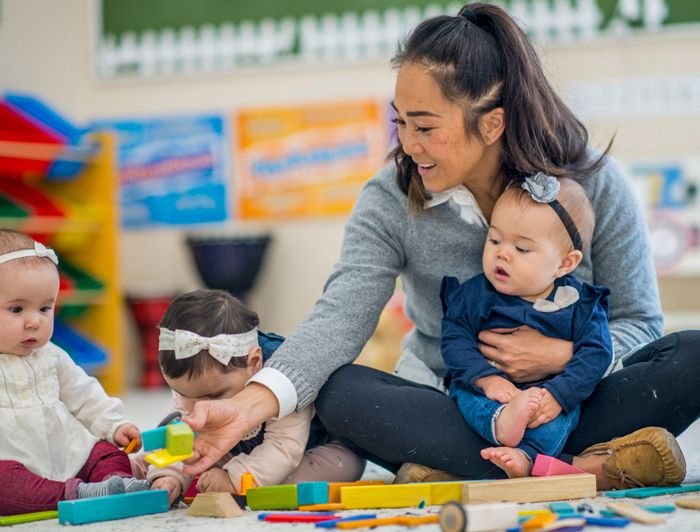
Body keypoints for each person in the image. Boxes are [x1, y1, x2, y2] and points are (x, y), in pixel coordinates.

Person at [179, 3, 696, 490]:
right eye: (400, 121)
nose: (407, 143)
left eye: (425, 126)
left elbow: (641, 322)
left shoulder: (593, 183)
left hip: (576, 396)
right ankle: (585, 466)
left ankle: (481, 467)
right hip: (455, 404)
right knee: (338, 392)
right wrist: (252, 403)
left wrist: (564, 359)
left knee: (692, 355)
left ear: (492, 122)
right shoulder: (389, 198)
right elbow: (340, 317)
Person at [442, 175, 612, 478]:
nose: (502, 253)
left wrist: (559, 395)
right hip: (488, 391)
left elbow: (597, 354)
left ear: (565, 263)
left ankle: (526, 457)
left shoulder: (581, 304)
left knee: (561, 418)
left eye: (521, 249)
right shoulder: (474, 296)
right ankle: (500, 423)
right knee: (464, 394)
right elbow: (455, 341)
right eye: (494, 240)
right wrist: (487, 380)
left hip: (547, 393)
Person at [141, 289, 365, 505]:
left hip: (313, 449)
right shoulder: (196, 391)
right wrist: (169, 475)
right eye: (182, 394)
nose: (197, 406)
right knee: (190, 457)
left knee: (309, 475)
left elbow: (284, 447)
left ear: (254, 363)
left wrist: (234, 477)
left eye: (213, 396)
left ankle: (244, 479)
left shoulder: (284, 378)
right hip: (239, 450)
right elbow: (180, 436)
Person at [0, 230, 150, 516]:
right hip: (11, 463)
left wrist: (115, 425)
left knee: (106, 450)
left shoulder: (51, 356)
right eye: (17, 309)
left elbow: (85, 395)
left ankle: (114, 483)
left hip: (66, 452)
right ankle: (79, 493)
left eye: (45, 308)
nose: (34, 321)